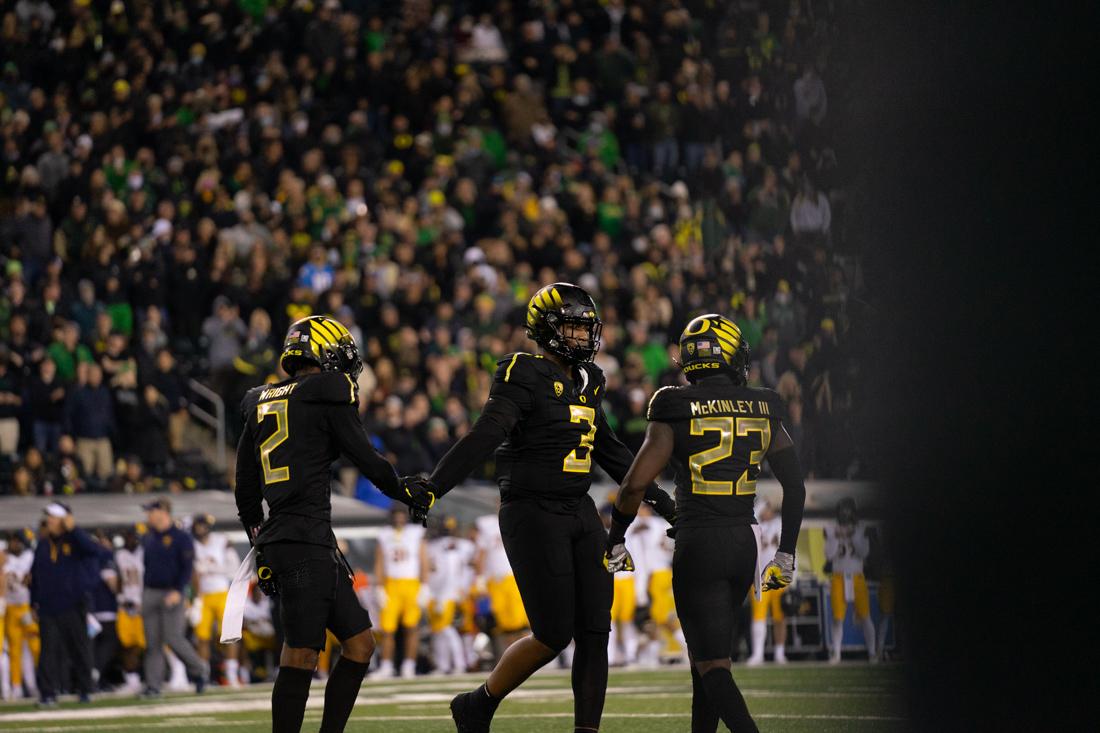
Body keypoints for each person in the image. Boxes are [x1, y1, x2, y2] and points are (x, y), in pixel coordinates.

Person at [411, 283, 676, 733]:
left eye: (585, 328)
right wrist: (435, 485)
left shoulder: (591, 380)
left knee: (595, 631)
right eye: (572, 326)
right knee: (553, 633)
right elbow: (487, 433)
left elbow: (610, 452)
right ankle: (480, 702)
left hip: (580, 510)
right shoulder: (522, 371)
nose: (581, 337)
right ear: (546, 327)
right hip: (531, 511)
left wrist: (666, 503)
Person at [606, 314, 806, 733]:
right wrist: (786, 551)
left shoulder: (674, 403)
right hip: (743, 543)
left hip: (700, 544)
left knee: (712, 667)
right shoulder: (764, 404)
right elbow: (795, 486)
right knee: (706, 665)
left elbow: (633, 485)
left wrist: (616, 538)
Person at [234, 315, 433, 733]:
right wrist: (405, 492)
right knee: (302, 653)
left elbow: (245, 491)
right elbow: (365, 456)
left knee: (360, 644)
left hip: (299, 537)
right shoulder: (326, 392)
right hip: (303, 538)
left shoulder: (262, 400)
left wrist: (262, 544)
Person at [29, 502, 106, 706]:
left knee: (79, 648)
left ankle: (85, 689)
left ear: (64, 520)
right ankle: (48, 693)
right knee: (48, 651)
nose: (50, 521)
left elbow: (95, 551)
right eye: (49, 517)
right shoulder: (44, 544)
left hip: (73, 603)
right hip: (47, 606)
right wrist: (33, 602)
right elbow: (35, 574)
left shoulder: (77, 541)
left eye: (54, 517)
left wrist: (74, 529)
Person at [140, 497, 207, 697]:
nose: (148, 515)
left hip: (173, 592)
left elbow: (187, 568)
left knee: (174, 638)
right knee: (152, 642)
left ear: (162, 512)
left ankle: (200, 670)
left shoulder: (180, 537)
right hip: (151, 591)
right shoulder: (149, 537)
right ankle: (153, 685)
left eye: (150, 511)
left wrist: (179, 591)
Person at [370, 507, 429, 680]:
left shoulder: (415, 533)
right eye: (396, 515)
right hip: (391, 584)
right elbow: (379, 562)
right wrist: (379, 587)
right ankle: (387, 666)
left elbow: (423, 559)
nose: (399, 519)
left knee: (412, 627)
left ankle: (409, 665)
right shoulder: (385, 534)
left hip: (411, 584)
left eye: (402, 515)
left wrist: (425, 586)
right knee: (387, 629)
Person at [190, 514, 243, 686]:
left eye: (202, 526)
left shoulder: (221, 540)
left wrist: (212, 568)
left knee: (230, 635)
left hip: (222, 593)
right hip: (203, 596)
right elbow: (193, 574)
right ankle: (203, 675)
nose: (200, 529)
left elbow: (234, 567)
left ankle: (232, 674)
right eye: (197, 526)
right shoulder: (192, 545)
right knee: (202, 637)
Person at [824, 497, 876, 663]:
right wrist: (836, 537)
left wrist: (853, 536)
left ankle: (873, 652)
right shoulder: (832, 529)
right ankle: (836, 653)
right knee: (838, 617)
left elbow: (863, 553)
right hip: (838, 576)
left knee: (865, 616)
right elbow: (829, 555)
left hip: (857, 576)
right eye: (843, 511)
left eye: (847, 511)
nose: (845, 515)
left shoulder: (861, 529)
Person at [473, 507, 528, 657]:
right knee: (502, 623)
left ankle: (528, 658)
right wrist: (480, 579)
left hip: (514, 577)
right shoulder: (487, 525)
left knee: (521, 622)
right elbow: (481, 554)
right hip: (495, 580)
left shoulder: (521, 520)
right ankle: (512, 658)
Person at [426, 517, 475, 676]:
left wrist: (442, 594)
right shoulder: (435, 547)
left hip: (446, 593)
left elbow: (447, 574)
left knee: (447, 629)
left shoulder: (449, 548)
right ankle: (444, 664)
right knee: (439, 630)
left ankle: (460, 663)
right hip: (443, 593)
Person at [747, 500, 791, 665]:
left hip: (778, 574)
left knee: (780, 616)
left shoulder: (778, 523)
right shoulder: (755, 526)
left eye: (768, 508)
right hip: (760, 575)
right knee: (758, 616)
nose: (767, 511)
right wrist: (759, 508)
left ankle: (780, 653)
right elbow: (751, 522)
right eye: (764, 508)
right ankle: (758, 654)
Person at [3, 530, 39, 699]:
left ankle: (40, 682)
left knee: (36, 646)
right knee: (14, 649)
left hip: (26, 607)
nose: (19, 545)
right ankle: (16, 685)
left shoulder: (30, 557)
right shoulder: (4, 557)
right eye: (18, 541)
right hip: (10, 608)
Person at [114, 528, 145, 693]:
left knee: (141, 644)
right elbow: (119, 578)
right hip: (126, 605)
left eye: (133, 537)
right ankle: (131, 679)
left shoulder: (144, 553)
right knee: (125, 644)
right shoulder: (119, 555)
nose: (130, 540)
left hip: (142, 604)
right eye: (128, 536)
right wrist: (120, 599)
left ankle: (140, 677)